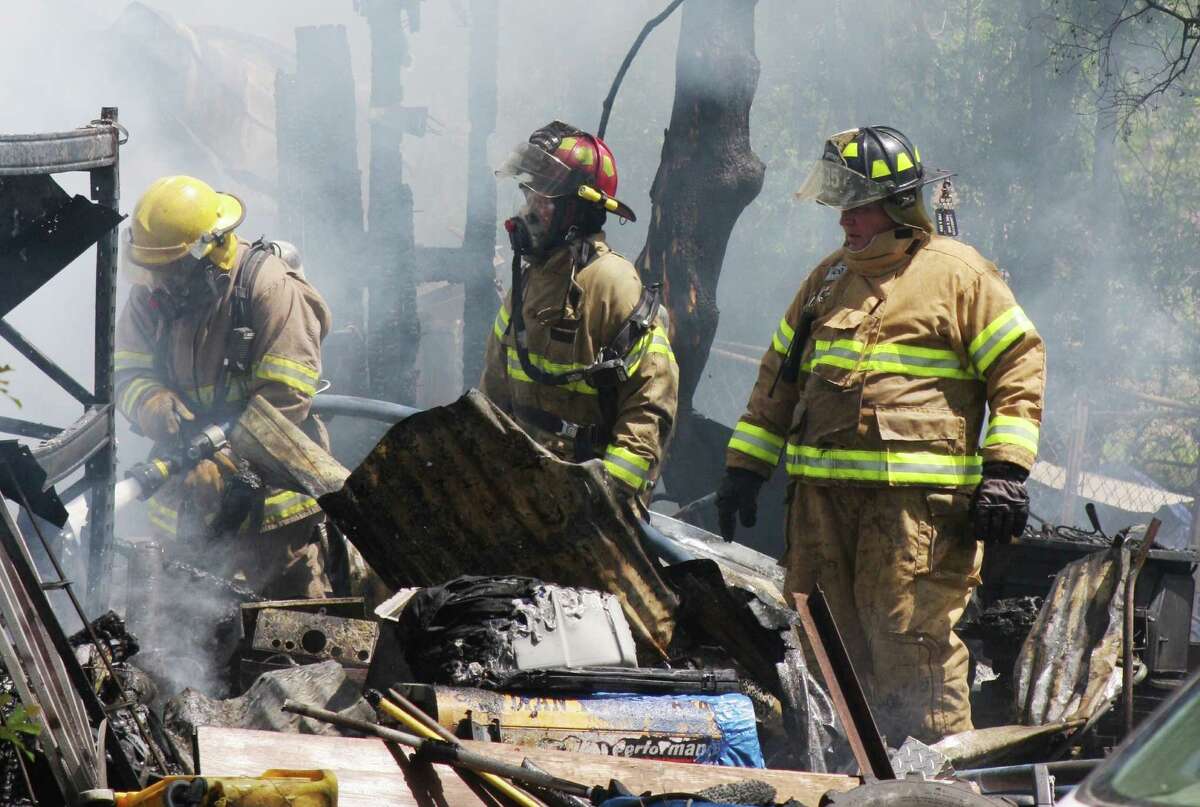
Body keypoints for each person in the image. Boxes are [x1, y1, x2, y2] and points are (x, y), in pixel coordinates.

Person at [716, 126, 1045, 742]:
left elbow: (1019, 366)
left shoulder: (959, 275)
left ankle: (939, 786)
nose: (845, 219)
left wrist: (1005, 471)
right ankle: (845, 780)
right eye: (841, 204)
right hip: (818, 515)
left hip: (913, 519)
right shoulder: (825, 280)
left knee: (911, 649)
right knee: (823, 649)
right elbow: (778, 381)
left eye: (859, 204)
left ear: (898, 205)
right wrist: (746, 467)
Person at [115, 175, 334, 598]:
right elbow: (126, 369)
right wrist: (150, 401)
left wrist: (225, 458)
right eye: (151, 269)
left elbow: (286, 396)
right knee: (187, 623)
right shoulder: (151, 295)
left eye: (169, 270)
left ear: (206, 254)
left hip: (272, 499)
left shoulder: (269, 289)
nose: (157, 283)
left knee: (287, 625)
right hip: (187, 497)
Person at [480, 121, 678, 505]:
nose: (529, 209)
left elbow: (649, 407)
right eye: (529, 192)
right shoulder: (530, 281)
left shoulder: (612, 285)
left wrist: (605, 499)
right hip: (521, 494)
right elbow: (494, 391)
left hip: (584, 505)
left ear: (578, 210)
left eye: (544, 197)